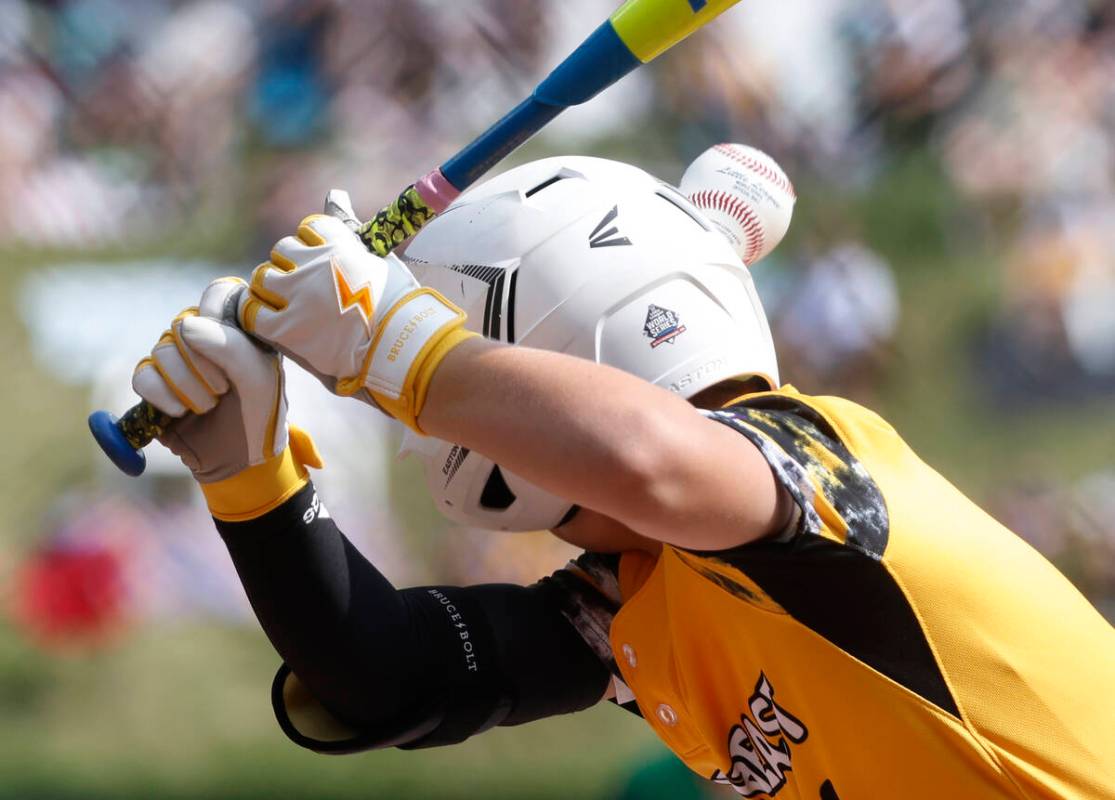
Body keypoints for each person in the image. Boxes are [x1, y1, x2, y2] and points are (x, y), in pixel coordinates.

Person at [130, 157, 1115, 799]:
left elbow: (655, 458)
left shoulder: (822, 460)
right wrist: (251, 479)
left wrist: (398, 349)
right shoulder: (645, 593)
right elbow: (383, 674)